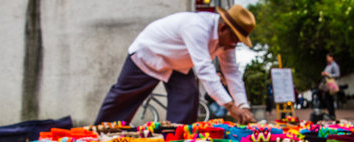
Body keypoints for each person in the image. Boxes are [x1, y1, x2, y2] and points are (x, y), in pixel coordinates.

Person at [93, 5, 256, 125]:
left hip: (178, 65)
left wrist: (243, 106)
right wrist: (229, 106)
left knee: (188, 95)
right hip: (149, 53)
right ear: (223, 28)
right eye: (235, 39)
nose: (234, 45)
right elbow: (204, 69)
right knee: (123, 98)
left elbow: (232, 73)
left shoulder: (227, 43)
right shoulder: (197, 26)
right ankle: (100, 134)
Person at [320, 53, 340, 119]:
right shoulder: (329, 65)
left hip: (331, 85)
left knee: (328, 99)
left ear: (332, 57)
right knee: (328, 99)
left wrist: (328, 74)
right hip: (328, 85)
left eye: (328, 57)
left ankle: (332, 114)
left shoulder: (334, 65)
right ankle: (331, 114)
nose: (327, 59)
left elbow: (337, 74)